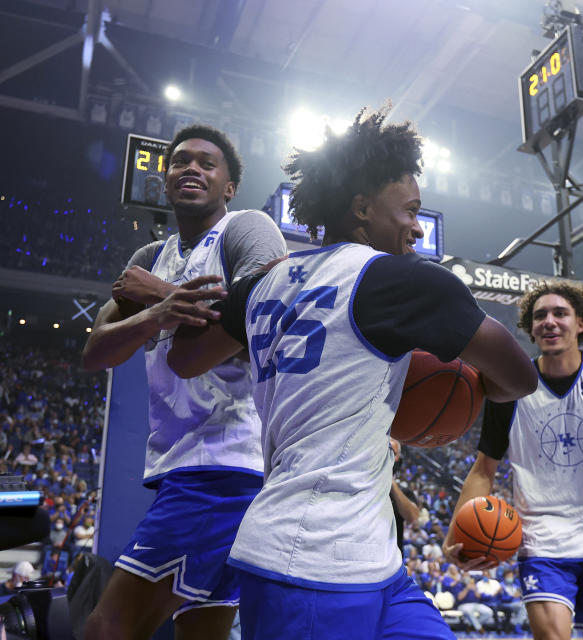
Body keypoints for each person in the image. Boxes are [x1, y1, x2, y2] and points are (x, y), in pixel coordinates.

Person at [166, 107, 538, 640]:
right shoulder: (399, 281)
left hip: (371, 560)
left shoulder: (264, 284)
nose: (416, 226)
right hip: (311, 562)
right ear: (362, 207)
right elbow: (520, 378)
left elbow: (184, 359)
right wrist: (462, 387)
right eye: (410, 210)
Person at [80, 124, 286, 640]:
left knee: (109, 628)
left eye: (206, 162)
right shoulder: (149, 258)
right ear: (165, 178)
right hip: (186, 468)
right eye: (180, 161)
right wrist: (158, 312)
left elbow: (263, 315)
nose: (190, 168)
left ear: (229, 186)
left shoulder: (247, 228)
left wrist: (158, 295)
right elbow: (95, 352)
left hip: (223, 467)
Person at [443, 281, 583, 640]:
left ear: (581, 324)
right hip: (541, 545)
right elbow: (484, 470)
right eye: (540, 315)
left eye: (560, 313)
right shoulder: (507, 387)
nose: (549, 321)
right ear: (531, 328)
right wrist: (453, 537)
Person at [389, 438, 420, 552]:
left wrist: (390, 480)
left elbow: (413, 518)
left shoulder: (405, 492)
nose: (388, 456)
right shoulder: (365, 485)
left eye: (392, 452)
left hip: (392, 559)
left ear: (398, 458)